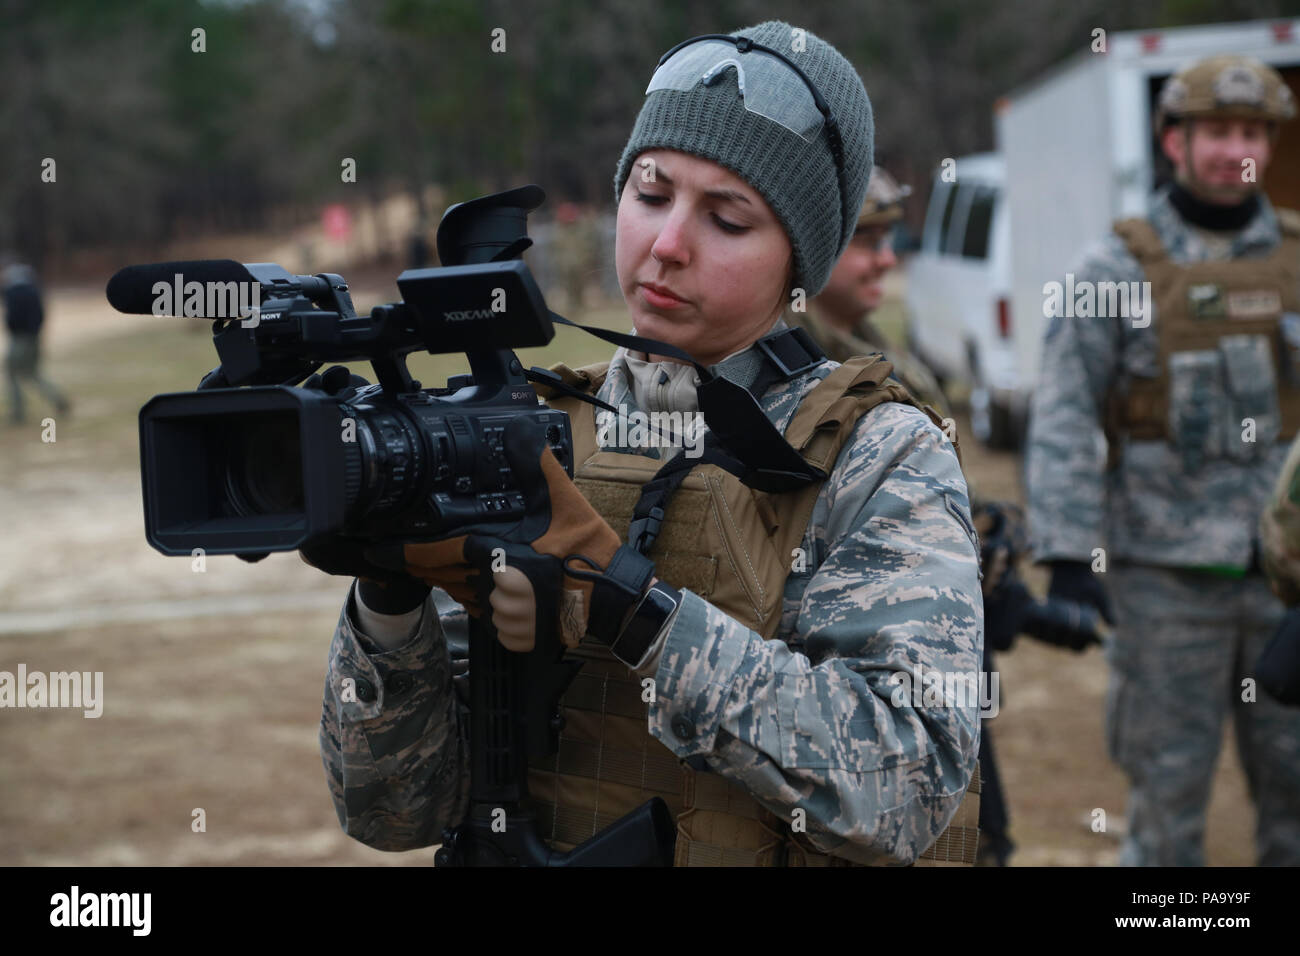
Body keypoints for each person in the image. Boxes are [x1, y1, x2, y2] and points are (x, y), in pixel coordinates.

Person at [312, 20, 983, 866]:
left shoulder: (877, 453)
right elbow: (394, 811)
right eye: (650, 193)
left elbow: (908, 787)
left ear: (799, 263)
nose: (667, 245)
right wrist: (388, 603)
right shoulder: (532, 426)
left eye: (729, 219)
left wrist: (636, 611)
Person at [1025, 54, 1300, 866]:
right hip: (1161, 584)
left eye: (1251, 131)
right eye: (1214, 129)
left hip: (1289, 588)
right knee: (1166, 801)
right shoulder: (1112, 269)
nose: (1234, 149)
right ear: (1172, 139)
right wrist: (1070, 551)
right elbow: (1065, 406)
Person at [793, 167, 945, 408]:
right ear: (810, 248)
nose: (888, 260)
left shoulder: (873, 352)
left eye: (887, 240)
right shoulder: (792, 370)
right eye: (868, 242)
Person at [3, 261, 69, 425]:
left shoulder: (13, 293)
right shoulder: (34, 291)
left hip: (20, 338)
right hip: (34, 337)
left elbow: (13, 318)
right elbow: (41, 315)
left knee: (12, 373)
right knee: (33, 373)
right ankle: (57, 399)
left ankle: (18, 412)